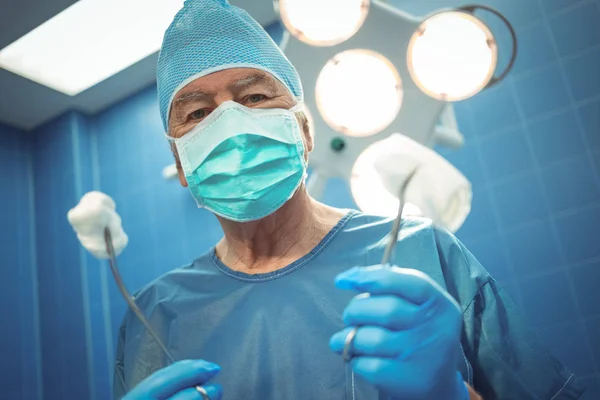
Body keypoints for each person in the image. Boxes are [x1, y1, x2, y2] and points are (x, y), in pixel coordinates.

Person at [113, 0, 585, 399]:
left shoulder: (420, 254)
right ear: (179, 163)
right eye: (197, 112)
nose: (230, 122)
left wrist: (451, 393)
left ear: (303, 130)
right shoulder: (153, 315)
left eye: (255, 97)